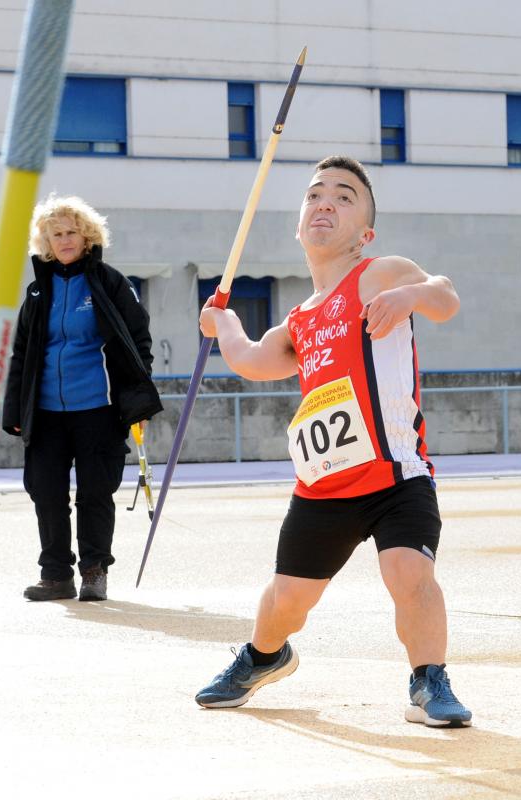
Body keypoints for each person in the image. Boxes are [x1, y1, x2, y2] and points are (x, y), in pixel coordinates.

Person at [195, 156, 471, 727]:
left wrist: (411, 297)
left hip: (396, 476)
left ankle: (429, 681)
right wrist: (222, 325)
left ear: (364, 233)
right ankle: (265, 655)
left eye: (345, 197)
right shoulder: (298, 321)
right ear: (299, 226)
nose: (326, 202)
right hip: (324, 486)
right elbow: (249, 360)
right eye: (315, 195)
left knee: (409, 576)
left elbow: (446, 296)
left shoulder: (379, 273)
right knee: (286, 602)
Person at [3, 195, 163, 602]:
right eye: (56, 234)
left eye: (71, 231)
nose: (64, 240)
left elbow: (137, 341)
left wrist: (137, 400)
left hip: (99, 407)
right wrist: (15, 410)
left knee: (95, 492)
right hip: (45, 412)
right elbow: (22, 352)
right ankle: (56, 575)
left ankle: (94, 571)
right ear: (46, 242)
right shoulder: (38, 291)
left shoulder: (109, 283)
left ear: (87, 235)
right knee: (46, 492)